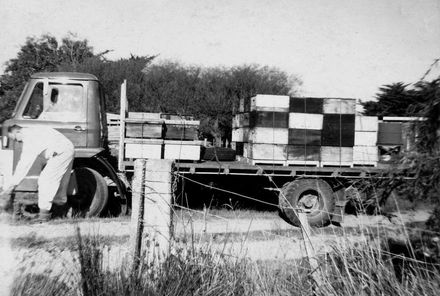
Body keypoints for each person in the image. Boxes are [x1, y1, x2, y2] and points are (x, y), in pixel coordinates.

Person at [0, 125, 74, 221]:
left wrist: (10, 187)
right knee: (59, 185)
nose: (17, 142)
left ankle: (44, 216)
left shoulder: (29, 138)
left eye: (15, 139)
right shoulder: (33, 131)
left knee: (45, 181)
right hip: (66, 149)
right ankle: (61, 212)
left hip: (62, 152)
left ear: (18, 132)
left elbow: (23, 166)